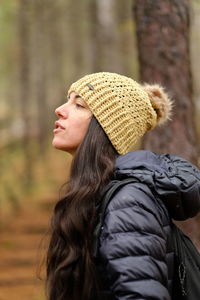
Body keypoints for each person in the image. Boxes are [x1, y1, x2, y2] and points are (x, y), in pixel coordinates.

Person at [47, 72, 200, 300]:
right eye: (68, 99)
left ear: (107, 128)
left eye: (79, 104)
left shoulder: (129, 202)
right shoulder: (95, 196)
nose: (60, 109)